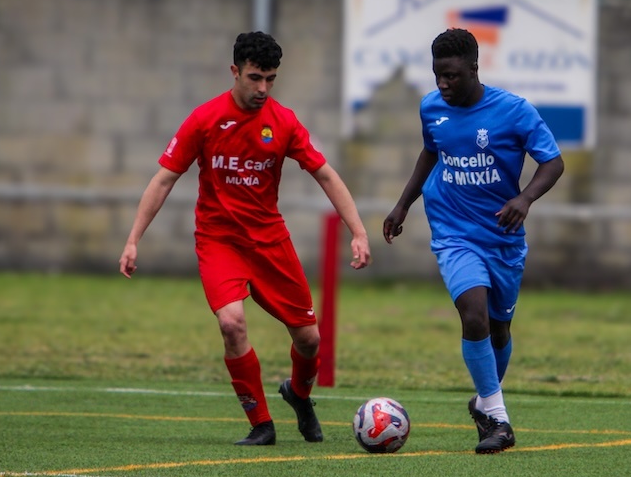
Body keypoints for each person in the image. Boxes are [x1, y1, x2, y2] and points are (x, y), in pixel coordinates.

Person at [119, 31, 371, 446]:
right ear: (234, 71)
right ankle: (261, 424)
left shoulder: (284, 121)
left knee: (309, 339)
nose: (263, 89)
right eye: (255, 78)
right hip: (219, 242)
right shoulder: (203, 120)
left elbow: (325, 173)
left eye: (271, 79)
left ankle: (299, 395)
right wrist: (133, 239)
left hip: (270, 241)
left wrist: (358, 232)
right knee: (232, 323)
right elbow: (164, 179)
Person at [382, 28, 564, 454]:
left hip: (502, 237)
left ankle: (484, 400)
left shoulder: (514, 111)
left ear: (473, 69)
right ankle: (498, 421)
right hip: (452, 231)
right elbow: (431, 152)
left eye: (451, 76)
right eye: (437, 76)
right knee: (474, 314)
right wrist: (403, 204)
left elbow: (553, 164)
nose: (443, 85)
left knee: (499, 329)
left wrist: (524, 198)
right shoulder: (432, 108)